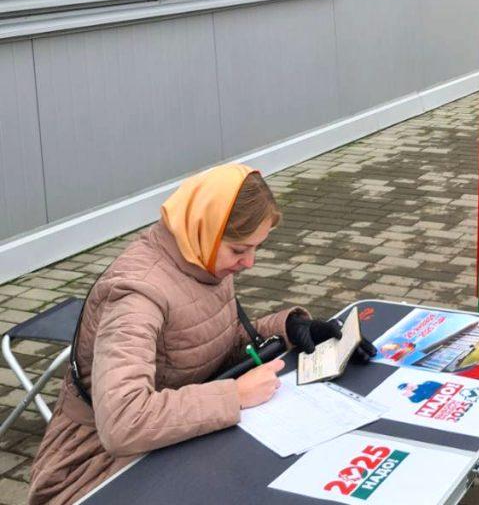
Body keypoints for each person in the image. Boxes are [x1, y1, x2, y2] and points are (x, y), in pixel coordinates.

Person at [29, 164, 350, 505]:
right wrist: (234, 396)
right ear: (203, 229)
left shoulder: (201, 256)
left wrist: (287, 328)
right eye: (239, 250)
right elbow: (122, 422)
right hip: (93, 469)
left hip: (172, 444)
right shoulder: (136, 295)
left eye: (256, 248)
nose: (249, 263)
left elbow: (207, 342)